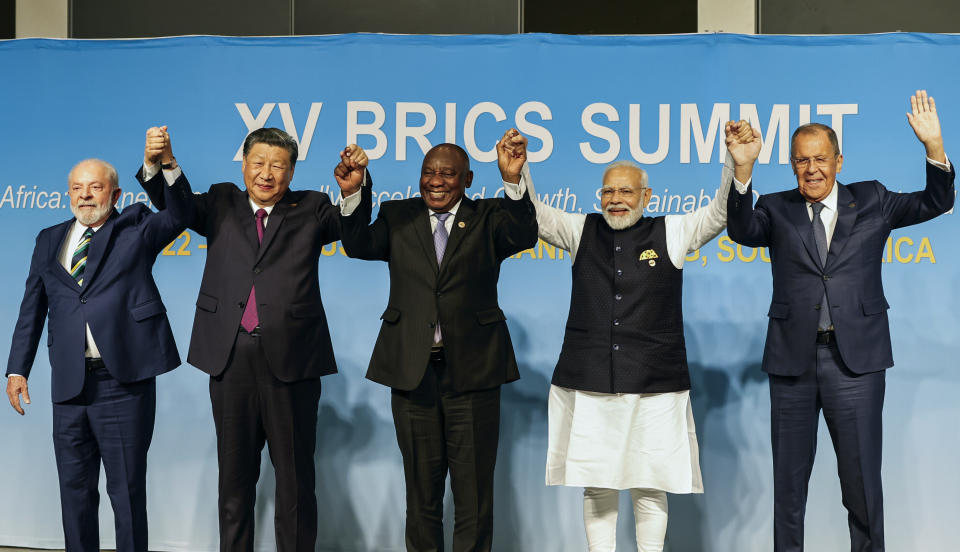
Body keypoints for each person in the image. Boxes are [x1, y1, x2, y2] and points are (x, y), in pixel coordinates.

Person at [499, 123, 754, 552]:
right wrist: (516, 176)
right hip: (590, 379)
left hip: (655, 386)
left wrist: (737, 165)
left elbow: (719, 213)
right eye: (608, 192)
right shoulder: (580, 229)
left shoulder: (672, 232)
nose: (616, 200)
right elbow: (534, 216)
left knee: (649, 485)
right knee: (597, 484)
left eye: (626, 192)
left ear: (646, 197)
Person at [726, 90, 954, 552]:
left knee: (862, 484)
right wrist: (742, 170)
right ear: (792, 164)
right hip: (793, 363)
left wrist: (934, 149)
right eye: (801, 161)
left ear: (838, 161)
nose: (811, 169)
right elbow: (741, 230)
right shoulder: (774, 205)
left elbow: (935, 201)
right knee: (788, 488)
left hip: (857, 363)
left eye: (820, 159)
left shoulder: (872, 199)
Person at [136, 128, 368, 552]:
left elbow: (353, 237)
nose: (266, 173)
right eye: (258, 163)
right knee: (235, 481)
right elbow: (177, 208)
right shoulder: (221, 201)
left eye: (278, 166)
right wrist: (165, 163)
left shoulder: (312, 206)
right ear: (243, 164)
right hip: (230, 358)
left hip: (293, 361)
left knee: (296, 481)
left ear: (292, 171)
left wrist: (353, 191)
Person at [334, 140, 537, 551]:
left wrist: (514, 180)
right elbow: (358, 246)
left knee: (474, 498)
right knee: (421, 496)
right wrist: (354, 192)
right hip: (413, 373)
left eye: (447, 174)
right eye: (429, 172)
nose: (436, 181)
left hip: (474, 374)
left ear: (468, 180)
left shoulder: (489, 217)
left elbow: (524, 235)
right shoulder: (398, 215)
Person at [4, 127, 192, 552]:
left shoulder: (136, 226)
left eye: (95, 187)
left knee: (126, 495)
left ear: (116, 192)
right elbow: (32, 307)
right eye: (76, 188)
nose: (85, 195)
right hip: (69, 385)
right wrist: (18, 369)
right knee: (75, 495)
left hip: (121, 384)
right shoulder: (48, 239)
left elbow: (180, 215)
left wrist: (164, 164)